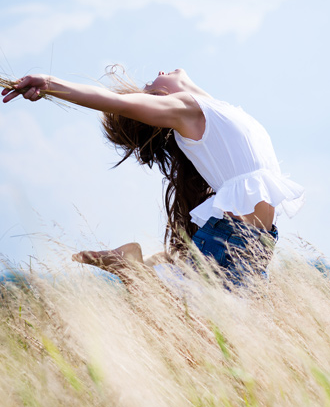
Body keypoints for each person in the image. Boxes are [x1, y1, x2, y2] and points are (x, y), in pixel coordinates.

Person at [1, 68, 305, 285]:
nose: (159, 70)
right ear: (158, 97)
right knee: (204, 310)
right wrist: (50, 83)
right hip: (234, 236)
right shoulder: (185, 110)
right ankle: (131, 267)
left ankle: (139, 267)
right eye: (150, 83)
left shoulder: (216, 109)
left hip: (256, 240)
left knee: (228, 320)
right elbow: (114, 101)